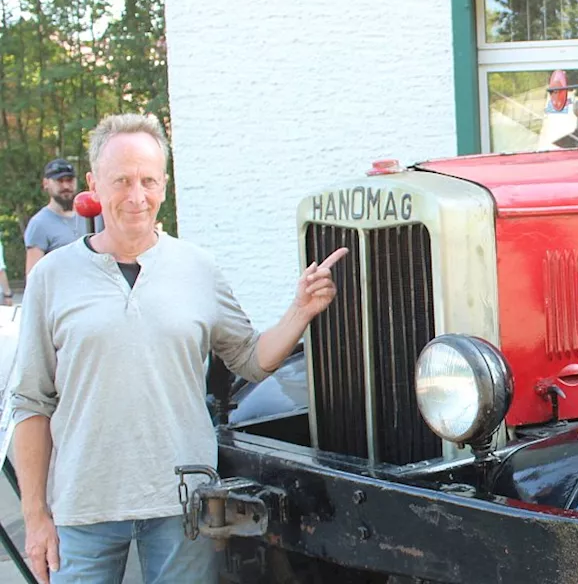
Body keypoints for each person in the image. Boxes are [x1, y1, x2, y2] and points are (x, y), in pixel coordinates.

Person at [8, 113, 349, 584]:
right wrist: (35, 516)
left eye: (148, 180)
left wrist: (300, 310)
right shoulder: (52, 277)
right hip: (83, 508)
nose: (136, 196)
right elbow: (30, 403)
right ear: (93, 184)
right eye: (121, 180)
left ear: (164, 185)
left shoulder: (198, 268)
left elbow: (249, 359)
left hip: (184, 507)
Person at [24, 158, 88, 276]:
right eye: (59, 181)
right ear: (46, 183)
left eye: (70, 180)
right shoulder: (39, 224)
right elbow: (33, 277)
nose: (66, 186)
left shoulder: (90, 216)